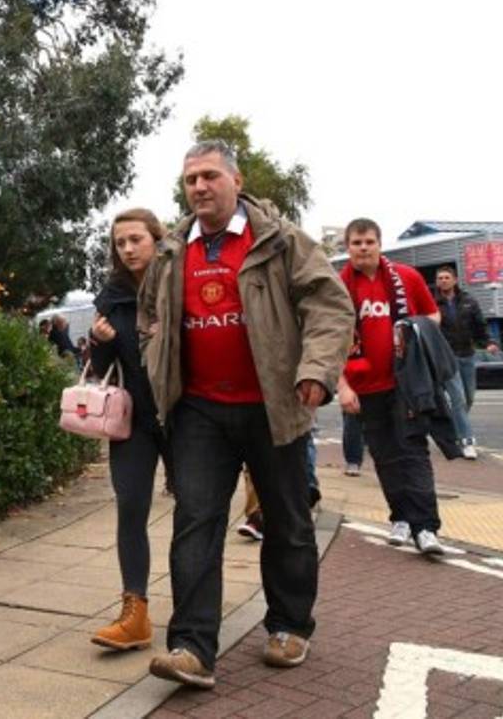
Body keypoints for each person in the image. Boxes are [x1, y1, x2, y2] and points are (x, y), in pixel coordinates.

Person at [140, 140, 354, 689]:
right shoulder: (170, 251)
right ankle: (191, 647)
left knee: (286, 519)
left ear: (236, 181)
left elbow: (329, 304)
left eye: (210, 176)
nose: (200, 188)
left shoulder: (280, 241)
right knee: (195, 524)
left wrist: (316, 369)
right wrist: (155, 353)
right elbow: (148, 315)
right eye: (191, 180)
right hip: (199, 412)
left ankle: (288, 626)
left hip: (273, 406)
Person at [87, 208, 173, 651]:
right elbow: (102, 370)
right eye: (120, 243)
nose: (128, 249)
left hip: (184, 416)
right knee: (131, 507)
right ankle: (134, 611)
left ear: (156, 240)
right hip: (135, 420)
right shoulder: (112, 296)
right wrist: (101, 343)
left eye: (136, 239)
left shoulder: (178, 285)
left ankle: (195, 610)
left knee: (196, 512)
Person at [337, 218, 447, 557]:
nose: (363, 248)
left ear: (379, 244)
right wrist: (342, 387)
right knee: (384, 455)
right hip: (365, 386)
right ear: (348, 247)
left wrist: (410, 331)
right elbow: (329, 339)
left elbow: (433, 315)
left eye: (369, 241)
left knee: (412, 450)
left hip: (406, 384)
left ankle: (426, 527)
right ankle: (400, 517)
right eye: (356, 243)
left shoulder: (407, 277)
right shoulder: (337, 286)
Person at [434, 265, 499, 460]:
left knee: (468, 398)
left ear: (454, 280)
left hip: (468, 355)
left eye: (446, 277)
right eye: (440, 278)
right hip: (447, 356)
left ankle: (455, 430)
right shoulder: (432, 303)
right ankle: (467, 441)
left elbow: (480, 325)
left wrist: (489, 342)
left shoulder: (469, 301)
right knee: (458, 399)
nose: (443, 281)